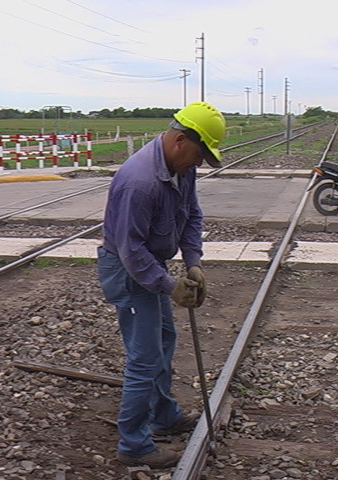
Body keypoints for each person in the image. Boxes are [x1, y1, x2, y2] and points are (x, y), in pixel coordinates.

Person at [97, 101, 226, 469]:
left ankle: (163, 414)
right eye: (200, 154)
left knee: (165, 339)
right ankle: (133, 444)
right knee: (144, 359)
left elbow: (192, 216)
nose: (200, 163)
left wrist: (193, 262)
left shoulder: (181, 169)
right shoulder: (139, 182)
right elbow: (130, 250)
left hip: (149, 265)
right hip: (127, 269)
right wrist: (169, 285)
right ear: (181, 140)